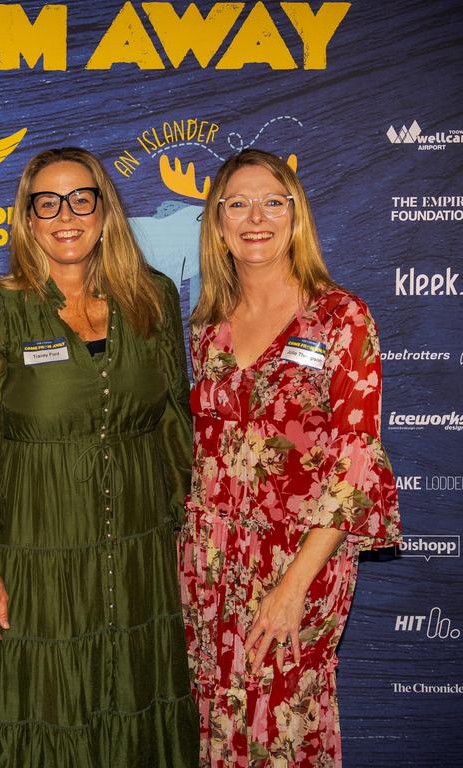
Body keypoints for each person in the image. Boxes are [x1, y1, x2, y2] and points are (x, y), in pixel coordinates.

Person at [0, 147, 198, 766]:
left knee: (132, 698)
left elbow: (173, 425)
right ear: (27, 218)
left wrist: (181, 538)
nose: (66, 215)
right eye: (46, 202)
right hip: (35, 552)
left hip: (137, 551)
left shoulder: (154, 299)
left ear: (105, 211)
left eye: (81, 198)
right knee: (43, 708)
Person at [179, 149, 402, 766]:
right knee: (215, 722)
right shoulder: (207, 324)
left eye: (273, 201)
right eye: (238, 204)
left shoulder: (341, 317)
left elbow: (356, 461)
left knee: (282, 724)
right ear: (218, 224)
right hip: (210, 560)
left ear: (296, 216)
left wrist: (293, 586)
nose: (257, 217)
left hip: (300, 559)